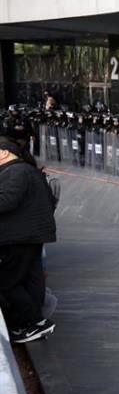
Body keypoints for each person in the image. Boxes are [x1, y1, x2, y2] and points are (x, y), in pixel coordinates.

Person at [0, 136, 57, 343]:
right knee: (30, 280)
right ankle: (35, 323)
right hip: (31, 235)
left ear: (4, 152)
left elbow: (6, 201)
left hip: (18, 236)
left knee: (7, 282)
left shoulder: (16, 172)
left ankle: (32, 322)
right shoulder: (24, 170)